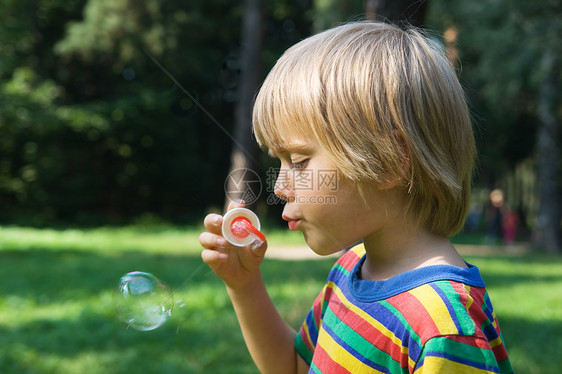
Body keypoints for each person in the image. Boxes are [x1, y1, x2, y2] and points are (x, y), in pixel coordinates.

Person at [199, 22, 513, 373]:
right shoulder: (352, 269)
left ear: (388, 160)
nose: (279, 186)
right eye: (280, 162)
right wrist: (244, 286)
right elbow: (294, 366)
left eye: (299, 161)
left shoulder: (442, 329)